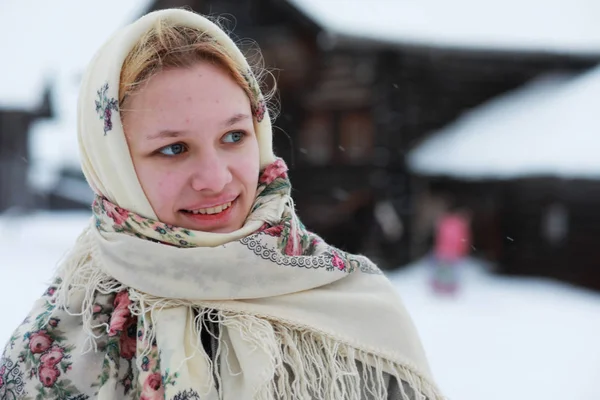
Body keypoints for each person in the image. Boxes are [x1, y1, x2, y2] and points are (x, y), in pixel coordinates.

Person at [0, 9, 443, 400]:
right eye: (173, 148)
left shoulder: (356, 308)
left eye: (233, 137)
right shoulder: (59, 340)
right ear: (112, 164)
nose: (215, 179)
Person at [431, 206, 472, 296]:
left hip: (443, 251)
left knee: (443, 269)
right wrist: (463, 250)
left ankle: (440, 286)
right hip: (454, 252)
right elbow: (463, 239)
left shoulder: (444, 221)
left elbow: (439, 237)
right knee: (452, 270)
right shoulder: (460, 224)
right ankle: (450, 287)